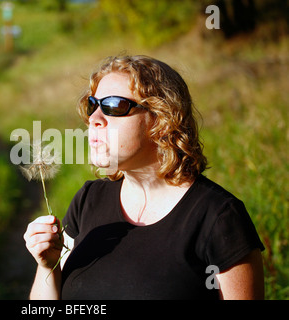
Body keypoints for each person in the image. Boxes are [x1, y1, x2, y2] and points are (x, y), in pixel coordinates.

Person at [23, 55, 265, 300]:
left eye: (114, 105)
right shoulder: (88, 200)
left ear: (161, 120)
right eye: (92, 104)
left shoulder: (219, 218)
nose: (94, 119)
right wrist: (47, 267)